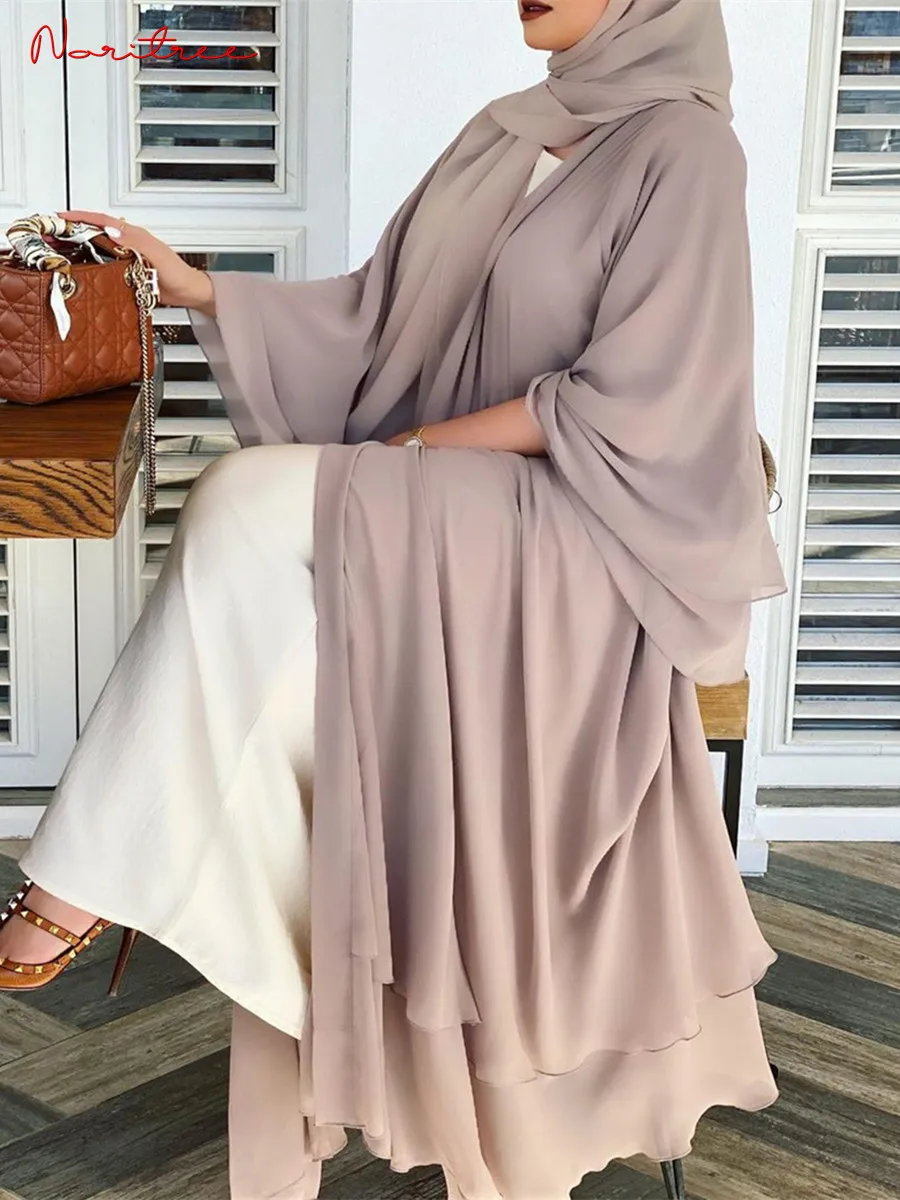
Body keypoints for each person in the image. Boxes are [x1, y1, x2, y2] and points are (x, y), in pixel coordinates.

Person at [0, 1, 788, 1197]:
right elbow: (376, 314)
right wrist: (196, 287)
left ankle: (73, 882)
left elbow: (644, 399)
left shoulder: (685, 149)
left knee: (243, 500)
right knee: (267, 666)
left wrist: (414, 454)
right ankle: (142, 929)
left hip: (570, 535)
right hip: (446, 514)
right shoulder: (507, 129)